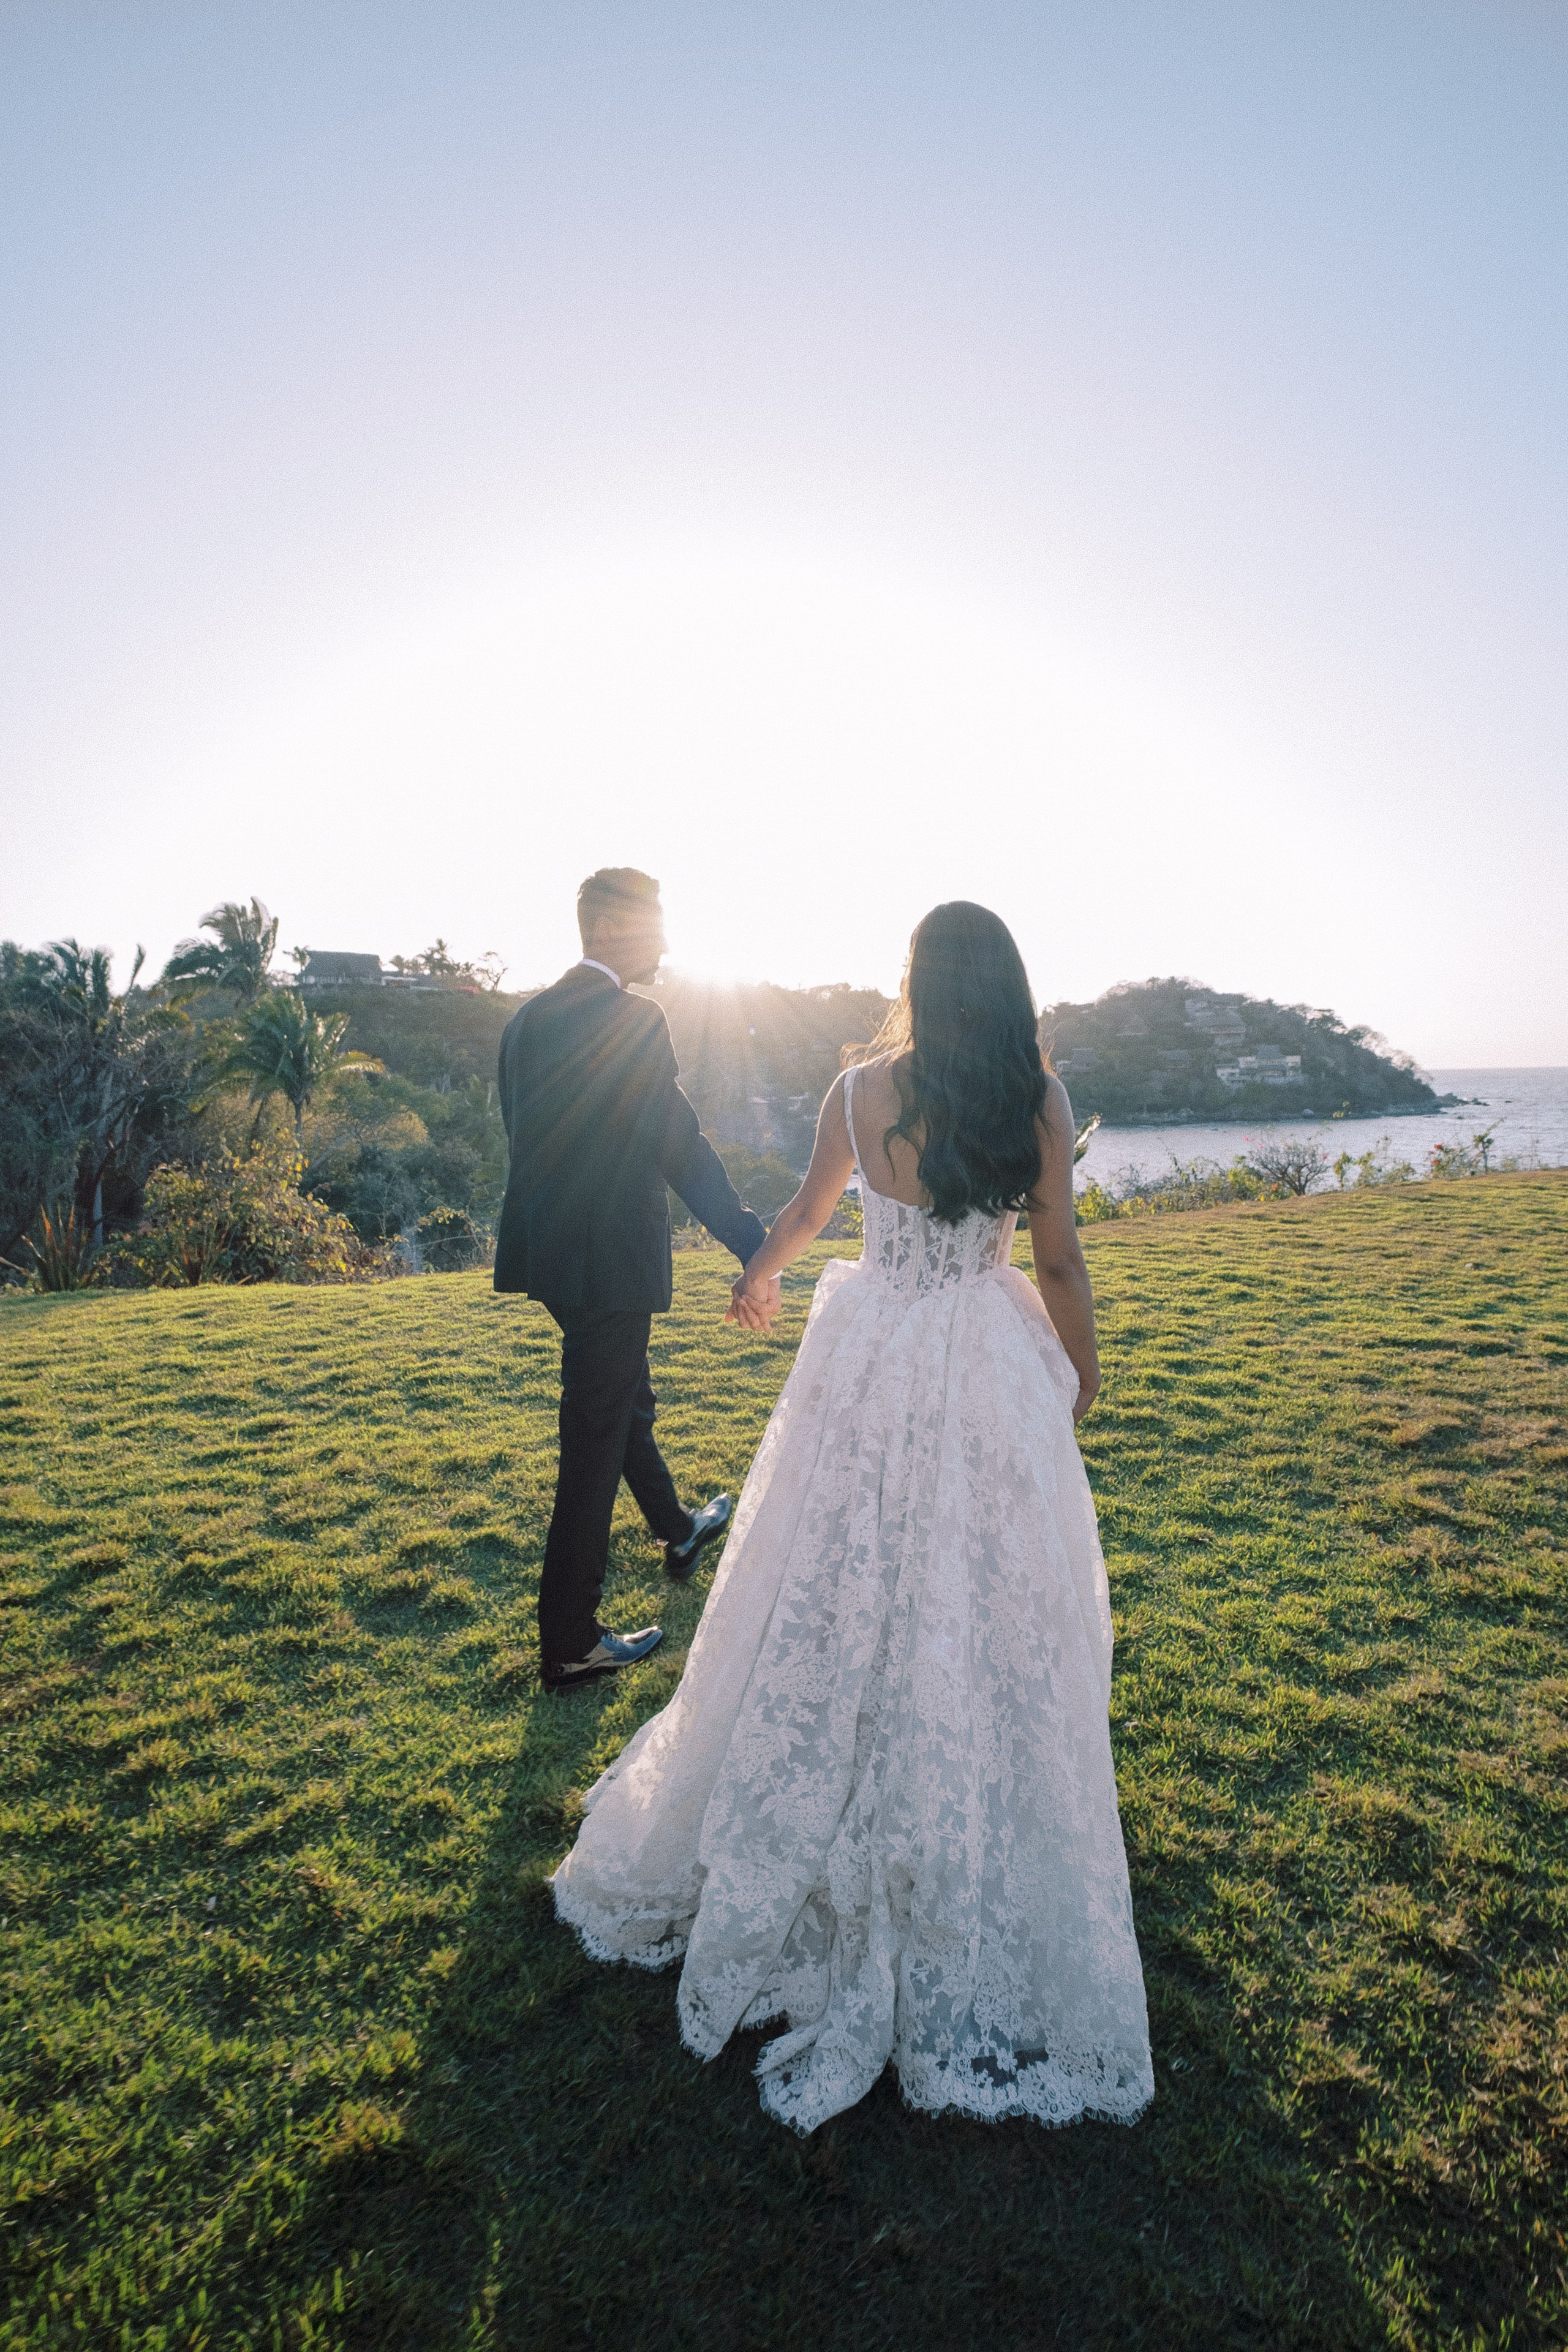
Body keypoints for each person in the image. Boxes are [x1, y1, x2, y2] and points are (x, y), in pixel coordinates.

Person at [551, 900, 1153, 2133]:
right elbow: (1055, 1261)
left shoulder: (855, 1092)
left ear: (916, 983)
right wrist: (1079, 1374)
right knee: (973, 1579)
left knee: (835, 1567)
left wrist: (759, 1272)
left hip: (871, 1351)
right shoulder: (1033, 1098)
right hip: (979, 1353)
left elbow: (809, 1213)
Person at [494, 867, 780, 1692]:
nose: (666, 943)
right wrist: (752, 1245)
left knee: (622, 1402)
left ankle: (678, 1527)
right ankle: (572, 1641)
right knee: (592, 1441)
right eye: (655, 925)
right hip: (609, 1262)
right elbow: (678, 1145)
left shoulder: (525, 1022)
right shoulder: (631, 1019)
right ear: (614, 929)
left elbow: (531, 1141)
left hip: (549, 1260)